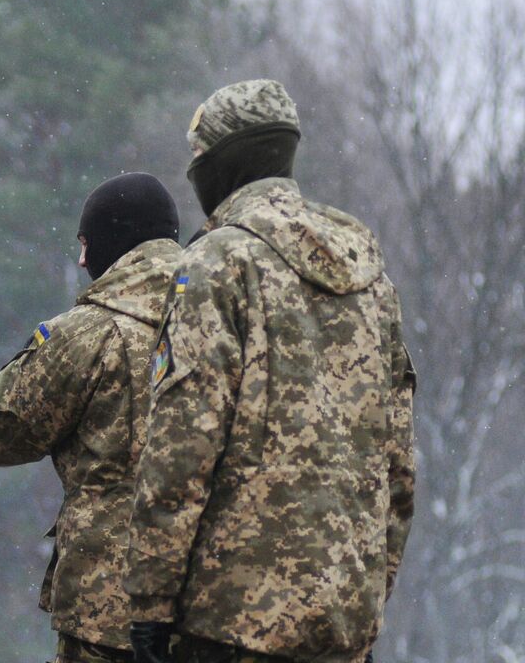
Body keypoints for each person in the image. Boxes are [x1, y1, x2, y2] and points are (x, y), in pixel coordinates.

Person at [125, 80, 416, 663]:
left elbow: (181, 451)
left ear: (221, 165)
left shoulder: (216, 264)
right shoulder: (369, 276)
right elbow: (398, 463)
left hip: (232, 620)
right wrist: (365, 592)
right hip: (343, 620)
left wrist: (150, 604)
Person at [0, 172, 183, 662]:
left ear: (116, 240)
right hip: (212, 603)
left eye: (87, 243)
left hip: (112, 607)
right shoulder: (225, 316)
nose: (84, 260)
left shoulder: (91, 332)